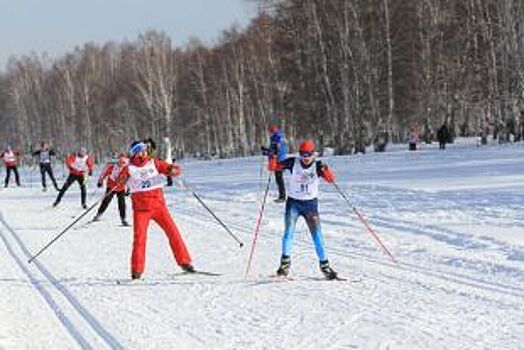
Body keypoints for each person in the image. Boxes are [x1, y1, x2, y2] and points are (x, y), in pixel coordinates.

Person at [116, 141, 194, 280]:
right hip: (141, 210)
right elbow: (119, 181)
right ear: (134, 153)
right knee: (139, 239)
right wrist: (122, 181)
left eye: (145, 150)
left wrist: (173, 170)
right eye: (140, 150)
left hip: (159, 207)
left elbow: (170, 168)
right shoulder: (129, 168)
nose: (144, 153)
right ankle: (137, 271)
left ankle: (185, 262)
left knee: (173, 233)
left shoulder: (154, 163)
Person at [268, 140, 338, 280]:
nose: (305, 157)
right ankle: (284, 267)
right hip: (293, 204)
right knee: (288, 234)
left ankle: (325, 267)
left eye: (308, 154)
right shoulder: (293, 162)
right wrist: (273, 157)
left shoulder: (318, 166)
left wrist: (326, 170)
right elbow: (274, 168)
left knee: (317, 237)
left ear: (313, 154)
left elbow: (331, 180)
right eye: (302, 154)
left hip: (310, 206)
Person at [93, 153, 130, 226]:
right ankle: (99, 214)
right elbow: (103, 174)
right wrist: (100, 182)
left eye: (123, 163)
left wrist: (128, 189)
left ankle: (123, 219)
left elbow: (130, 179)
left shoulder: (127, 169)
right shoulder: (112, 167)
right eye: (120, 162)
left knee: (122, 203)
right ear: (118, 161)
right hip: (111, 187)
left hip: (121, 188)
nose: (121, 164)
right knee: (106, 201)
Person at [261, 125, 288, 202]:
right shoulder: (279, 138)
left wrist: (268, 152)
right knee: (278, 178)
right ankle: (282, 196)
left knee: (279, 179)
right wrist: (266, 151)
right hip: (278, 160)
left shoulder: (277, 138)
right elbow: (273, 150)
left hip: (278, 161)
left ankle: (282, 197)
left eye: (271, 132)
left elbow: (276, 151)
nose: (270, 133)